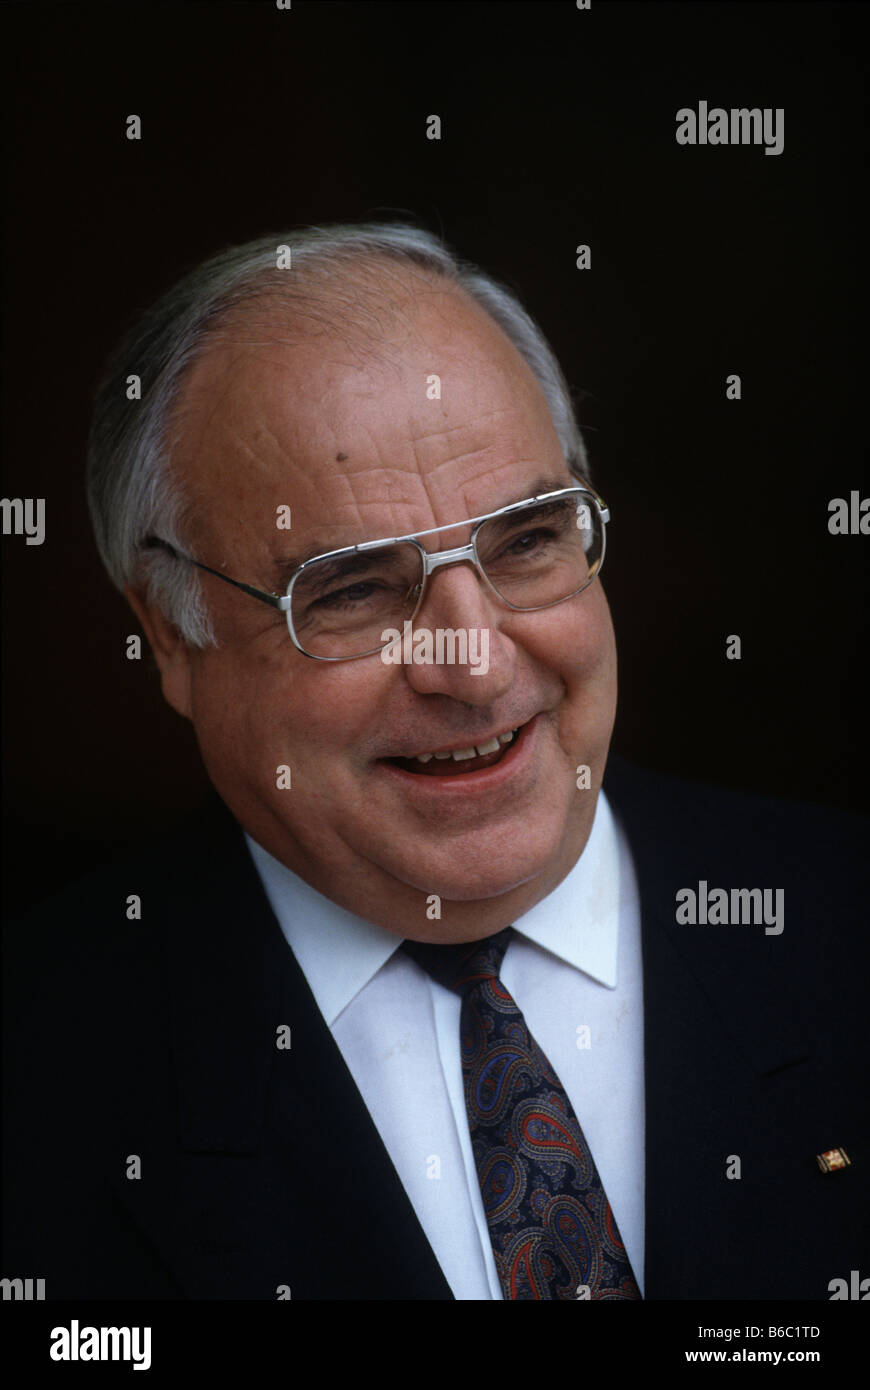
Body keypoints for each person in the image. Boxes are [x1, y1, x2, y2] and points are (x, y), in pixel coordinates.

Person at [3, 224, 867, 1301]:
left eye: (525, 543)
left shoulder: (842, 922)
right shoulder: (38, 1077)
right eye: (354, 587)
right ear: (172, 636)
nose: (475, 661)